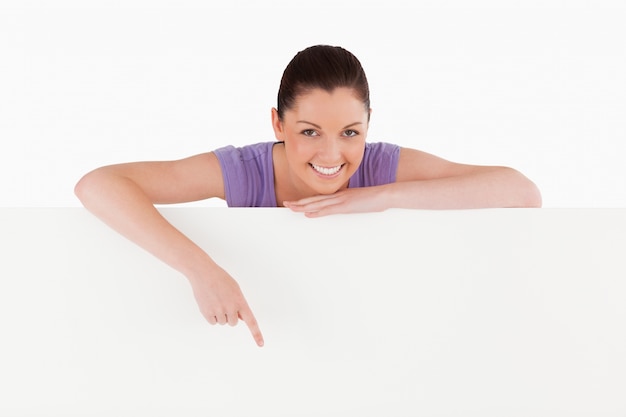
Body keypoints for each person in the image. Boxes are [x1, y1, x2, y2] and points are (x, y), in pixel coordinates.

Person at [74, 44, 542, 348]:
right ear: (278, 124)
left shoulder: (381, 166)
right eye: (310, 131)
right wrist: (203, 271)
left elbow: (521, 193)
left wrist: (378, 197)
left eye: (350, 132)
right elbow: (97, 184)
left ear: (368, 124)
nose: (332, 154)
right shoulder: (244, 169)